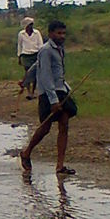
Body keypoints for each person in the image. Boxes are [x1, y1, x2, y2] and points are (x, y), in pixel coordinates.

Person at [19, 19, 77, 177]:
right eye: (59, 33)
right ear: (51, 34)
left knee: (64, 124)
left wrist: (25, 80)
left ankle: (60, 165)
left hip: (61, 89)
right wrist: (53, 100)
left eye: (64, 33)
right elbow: (45, 75)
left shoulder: (60, 49)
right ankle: (26, 153)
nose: (62, 36)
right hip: (49, 93)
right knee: (45, 128)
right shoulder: (45, 50)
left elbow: (37, 66)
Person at [16, 17, 42, 98]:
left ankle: (33, 92)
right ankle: (29, 92)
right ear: (26, 25)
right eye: (30, 25)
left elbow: (40, 44)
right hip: (26, 55)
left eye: (32, 24)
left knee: (35, 75)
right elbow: (19, 45)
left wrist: (41, 55)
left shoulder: (37, 33)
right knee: (27, 73)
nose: (31, 26)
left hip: (35, 54)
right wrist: (19, 57)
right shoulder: (21, 34)